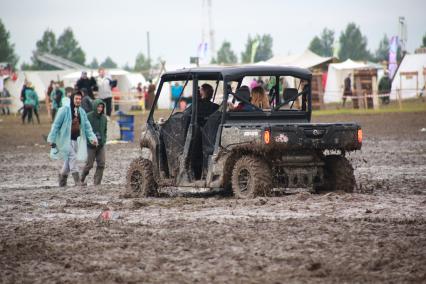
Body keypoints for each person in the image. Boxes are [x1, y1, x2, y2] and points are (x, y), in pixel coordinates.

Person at [47, 91, 98, 186]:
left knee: (68, 160)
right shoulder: (64, 110)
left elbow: (87, 127)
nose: (78, 100)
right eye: (76, 99)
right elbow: (56, 125)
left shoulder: (81, 112)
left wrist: (92, 138)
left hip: (75, 140)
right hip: (64, 140)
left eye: (79, 99)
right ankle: (77, 181)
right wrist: (51, 139)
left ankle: (62, 179)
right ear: (72, 99)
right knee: (73, 157)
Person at [81, 99, 107, 185]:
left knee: (101, 164)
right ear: (95, 106)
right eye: (98, 106)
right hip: (90, 145)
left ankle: (97, 183)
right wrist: (90, 140)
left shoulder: (104, 118)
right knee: (89, 165)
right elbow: (84, 130)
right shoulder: (88, 116)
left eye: (101, 107)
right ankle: (81, 179)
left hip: (101, 145)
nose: (100, 108)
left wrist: (103, 140)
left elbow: (105, 131)